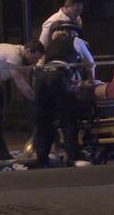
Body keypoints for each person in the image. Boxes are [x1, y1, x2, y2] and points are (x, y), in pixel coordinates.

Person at [0, 40, 45, 161]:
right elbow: (20, 82)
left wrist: (32, 94)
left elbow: (25, 77)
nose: (34, 62)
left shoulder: (20, 55)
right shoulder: (14, 56)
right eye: (34, 59)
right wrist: (36, 99)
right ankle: (1, 154)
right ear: (28, 51)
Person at [34, 22, 95, 168]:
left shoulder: (50, 45)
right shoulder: (76, 41)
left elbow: (40, 64)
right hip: (59, 75)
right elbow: (91, 63)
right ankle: (71, 156)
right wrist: (90, 82)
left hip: (42, 77)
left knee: (44, 119)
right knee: (68, 117)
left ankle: (42, 158)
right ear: (71, 32)